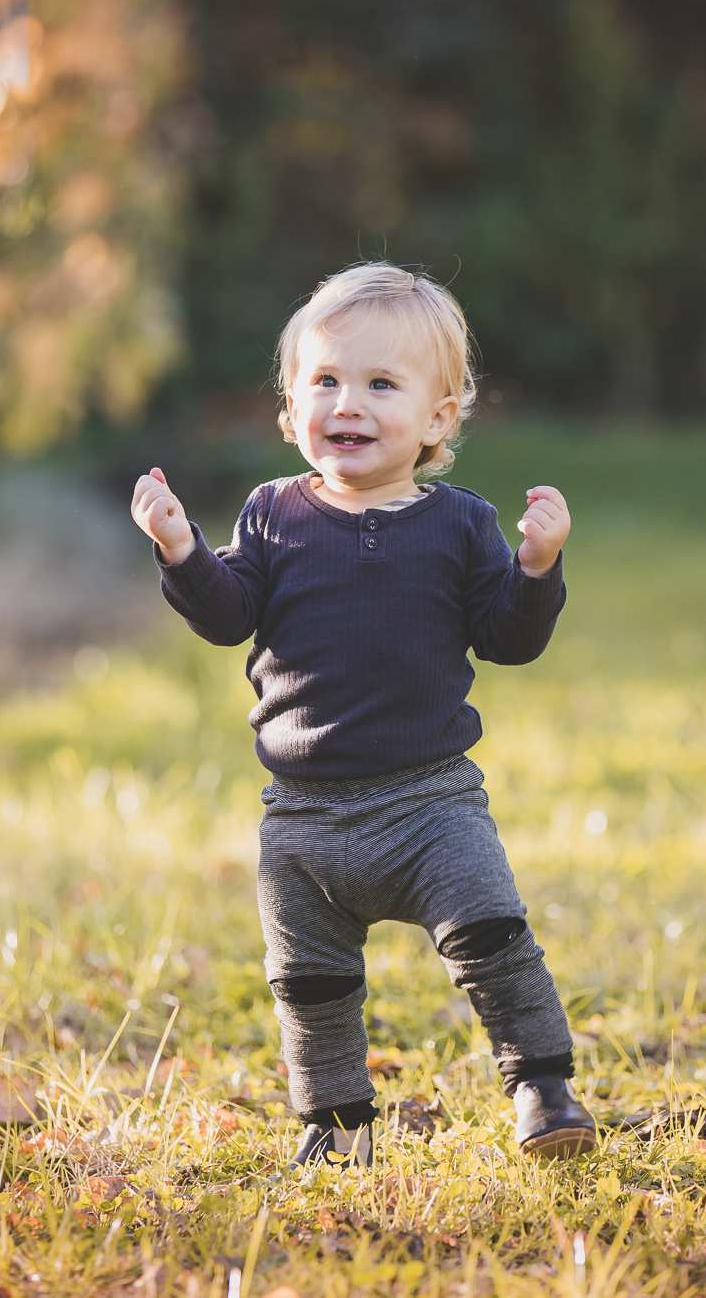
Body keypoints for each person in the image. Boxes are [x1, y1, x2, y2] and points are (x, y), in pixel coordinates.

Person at [130, 262, 596, 1168]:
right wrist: (183, 550)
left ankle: (541, 1083)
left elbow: (507, 639)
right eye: (327, 380)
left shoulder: (461, 523)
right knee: (311, 985)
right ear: (290, 407)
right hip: (302, 817)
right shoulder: (271, 515)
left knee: (493, 938)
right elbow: (228, 616)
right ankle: (335, 1124)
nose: (350, 402)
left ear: (437, 418)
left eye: (382, 384)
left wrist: (536, 571)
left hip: (432, 804)